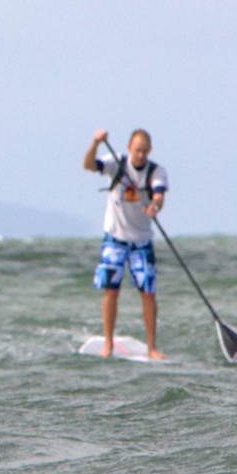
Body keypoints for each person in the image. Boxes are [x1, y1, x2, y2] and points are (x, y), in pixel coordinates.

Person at [84, 129, 167, 359]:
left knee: (148, 292)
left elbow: (159, 196)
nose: (140, 155)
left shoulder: (156, 171)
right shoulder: (116, 163)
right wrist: (95, 143)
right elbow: (89, 165)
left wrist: (155, 206)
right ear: (130, 147)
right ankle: (108, 344)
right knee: (111, 290)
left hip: (141, 240)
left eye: (144, 151)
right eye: (136, 150)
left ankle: (152, 347)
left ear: (149, 151)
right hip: (115, 237)